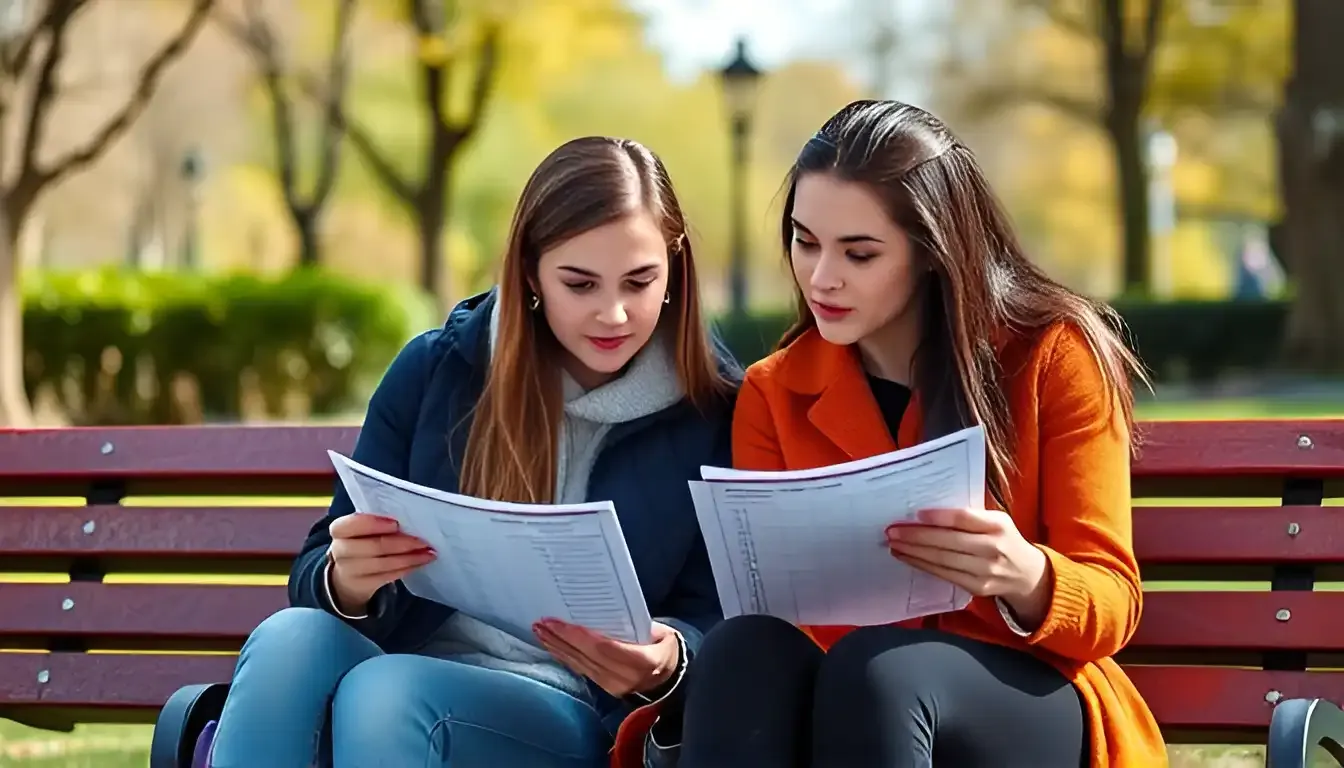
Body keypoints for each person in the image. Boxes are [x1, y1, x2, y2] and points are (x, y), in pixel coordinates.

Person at [207, 136, 739, 768]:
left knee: (387, 692)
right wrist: (347, 580)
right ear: (531, 273)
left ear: (675, 267)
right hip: (403, 667)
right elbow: (320, 565)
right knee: (289, 637)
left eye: (639, 281)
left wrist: (669, 658)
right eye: (581, 284)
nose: (614, 313)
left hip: (571, 712)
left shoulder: (715, 413)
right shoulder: (439, 370)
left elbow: (721, 614)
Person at [677, 100, 1165, 768]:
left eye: (860, 252)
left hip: (1029, 693)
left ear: (933, 252)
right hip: (851, 692)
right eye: (805, 240)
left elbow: (1113, 602)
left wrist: (1024, 575)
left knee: (880, 673)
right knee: (743, 649)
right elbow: (771, 611)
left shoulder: (1053, 355)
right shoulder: (774, 390)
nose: (822, 277)